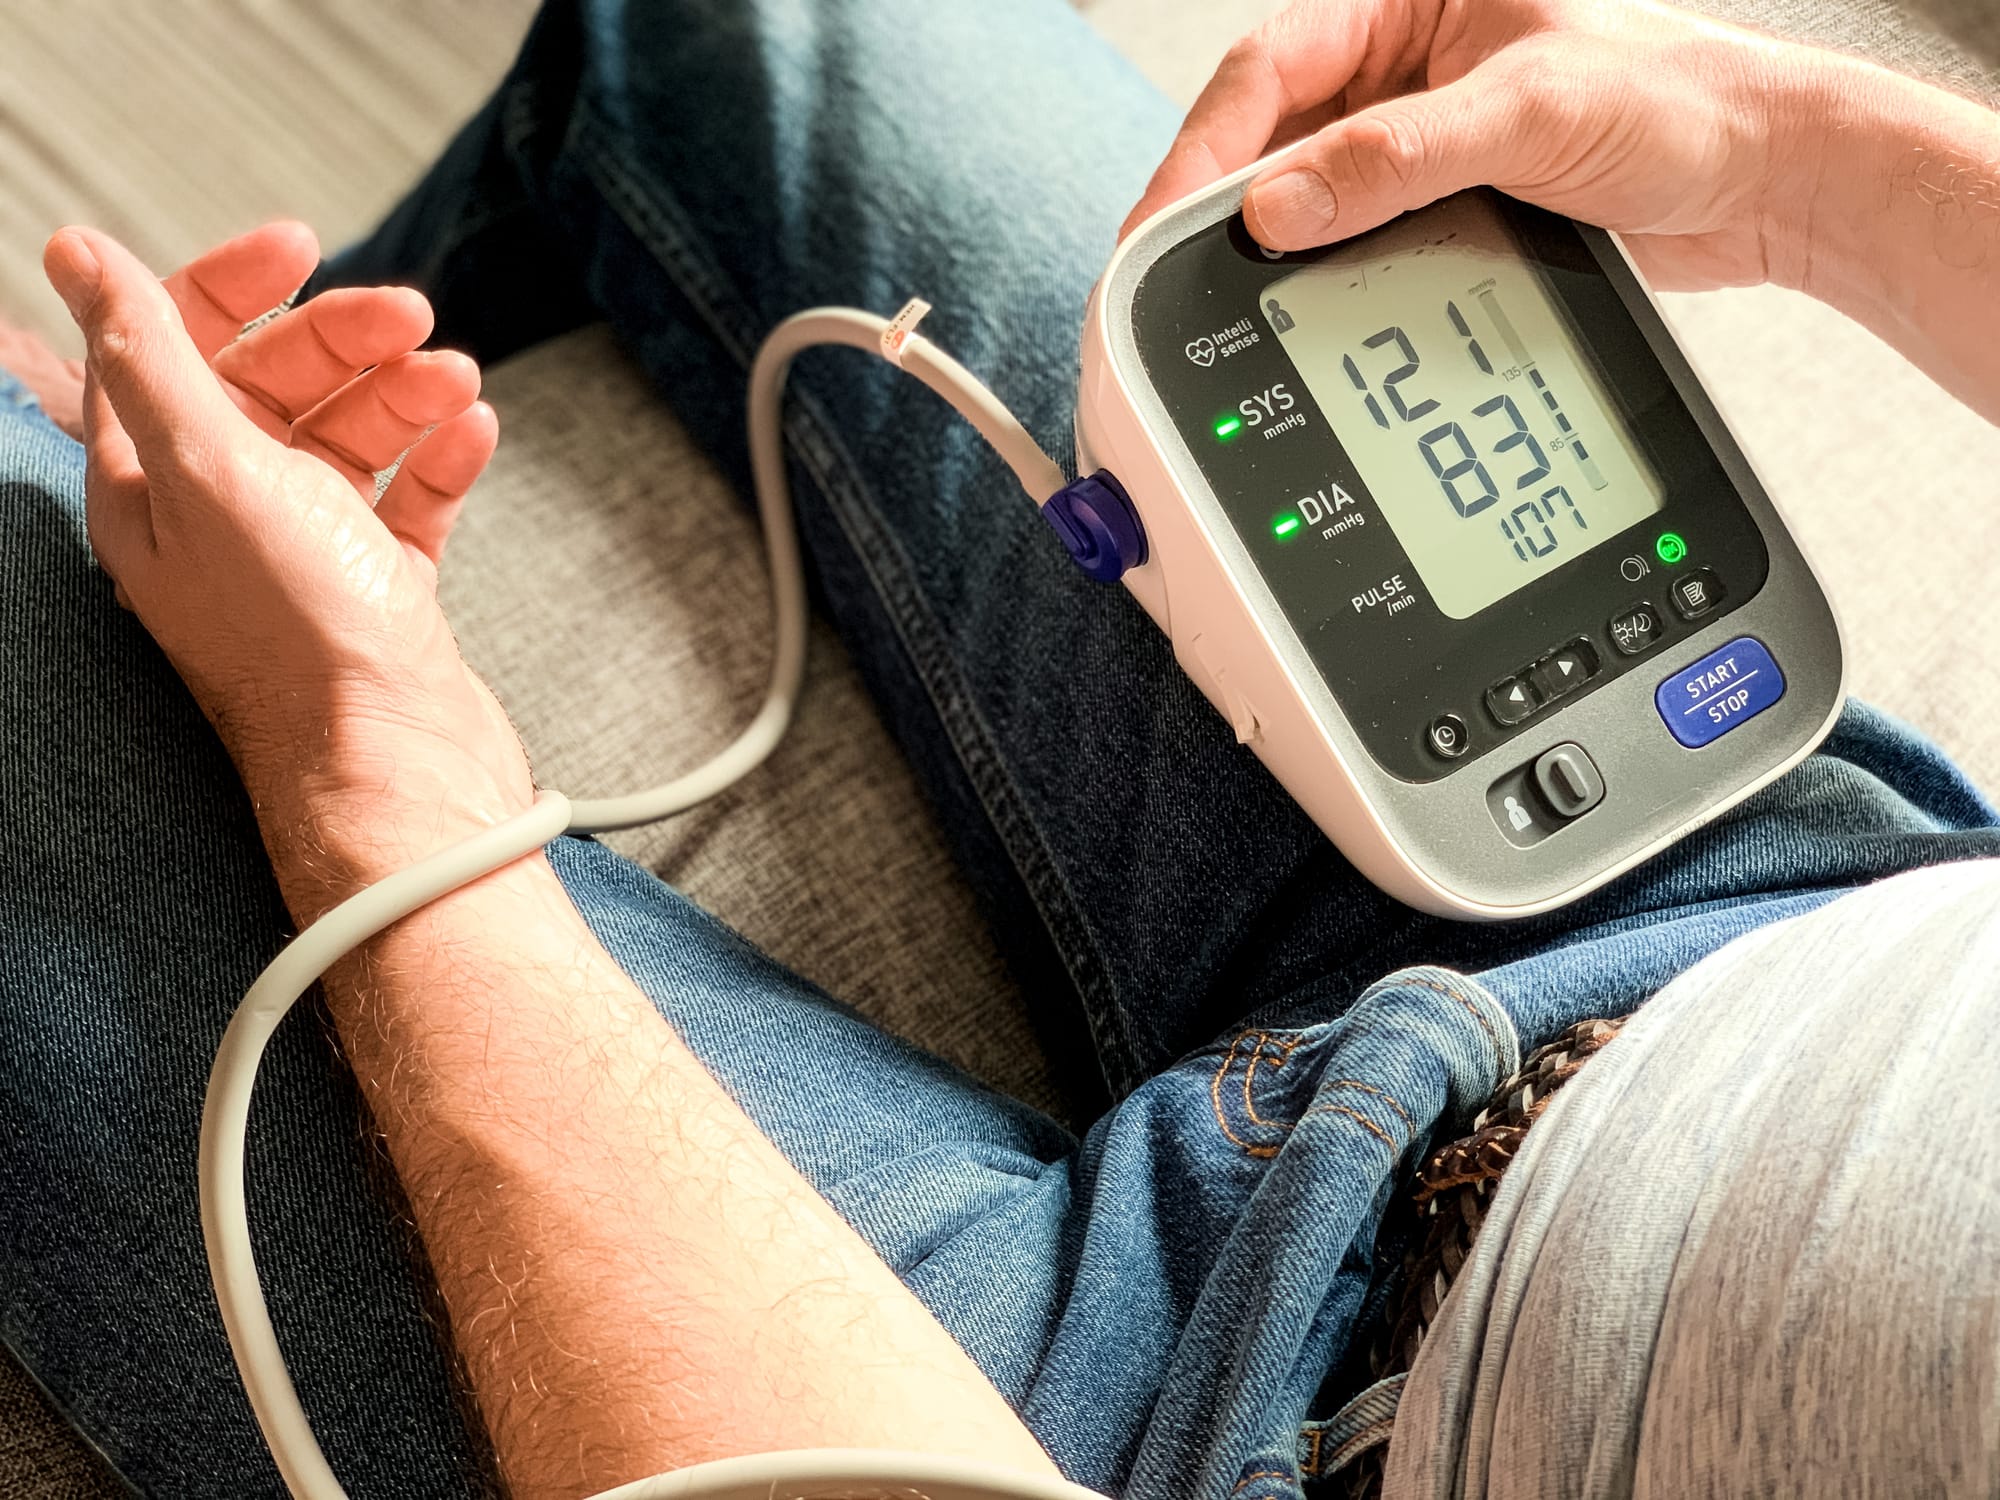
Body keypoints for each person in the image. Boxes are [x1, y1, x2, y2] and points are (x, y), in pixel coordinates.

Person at [4, 0, 1998, 1496]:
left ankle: (147, 499)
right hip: (1764, 915)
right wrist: (1807, 172)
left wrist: (369, 767)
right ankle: (266, 438)